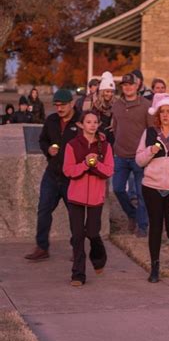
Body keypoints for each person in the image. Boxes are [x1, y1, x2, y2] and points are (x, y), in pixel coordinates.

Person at [24, 89, 79, 261]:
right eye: (57, 105)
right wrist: (48, 149)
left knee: (75, 214)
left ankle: (77, 249)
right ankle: (42, 247)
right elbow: (42, 140)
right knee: (44, 210)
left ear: (72, 103)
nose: (59, 108)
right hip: (52, 174)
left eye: (63, 105)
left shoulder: (81, 121)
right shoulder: (51, 120)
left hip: (72, 177)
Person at [135, 93, 169, 282]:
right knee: (155, 226)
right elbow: (139, 160)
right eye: (162, 111)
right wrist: (151, 151)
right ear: (158, 114)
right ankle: (154, 267)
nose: (165, 115)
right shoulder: (149, 133)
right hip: (152, 186)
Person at [63, 110, 114, 286]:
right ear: (81, 125)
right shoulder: (72, 145)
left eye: (95, 122)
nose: (92, 125)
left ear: (98, 125)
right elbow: (68, 171)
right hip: (75, 196)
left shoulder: (105, 146)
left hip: (95, 197)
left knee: (92, 233)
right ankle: (78, 274)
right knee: (77, 236)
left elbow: (108, 171)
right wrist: (85, 163)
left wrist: (95, 163)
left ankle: (99, 258)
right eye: (88, 122)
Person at [111, 72, 151, 237]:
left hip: (139, 157)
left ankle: (142, 226)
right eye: (125, 85)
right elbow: (114, 127)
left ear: (137, 86)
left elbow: (151, 131)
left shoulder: (146, 105)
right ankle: (132, 215)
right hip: (120, 155)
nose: (128, 87)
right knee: (118, 189)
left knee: (142, 194)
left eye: (131, 84)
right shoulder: (117, 105)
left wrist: (147, 152)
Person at [92, 70, 116, 144]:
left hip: (110, 138)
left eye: (112, 92)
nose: (110, 94)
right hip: (94, 136)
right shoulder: (92, 103)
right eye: (107, 91)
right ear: (102, 91)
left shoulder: (115, 104)